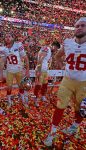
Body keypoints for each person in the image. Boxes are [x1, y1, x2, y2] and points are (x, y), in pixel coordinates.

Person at [44, 17, 86, 146]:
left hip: (84, 83)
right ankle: (52, 133)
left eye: (82, 25)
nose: (79, 28)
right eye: (77, 26)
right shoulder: (68, 42)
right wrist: (62, 65)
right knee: (59, 106)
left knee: (80, 109)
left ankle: (74, 126)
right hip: (67, 81)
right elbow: (57, 56)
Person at [0, 33, 30, 107]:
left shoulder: (18, 45)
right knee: (9, 87)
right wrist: (1, 74)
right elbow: (2, 62)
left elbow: (25, 58)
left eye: (9, 36)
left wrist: (27, 70)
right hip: (9, 71)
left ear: (13, 38)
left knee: (21, 86)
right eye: (6, 37)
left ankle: (23, 101)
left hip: (19, 70)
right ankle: (9, 101)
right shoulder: (3, 48)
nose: (7, 38)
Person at [33, 42, 52, 107]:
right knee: (38, 85)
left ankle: (42, 96)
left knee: (45, 84)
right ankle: (35, 99)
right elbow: (40, 59)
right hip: (41, 69)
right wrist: (38, 70)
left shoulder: (47, 49)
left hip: (45, 69)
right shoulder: (46, 48)